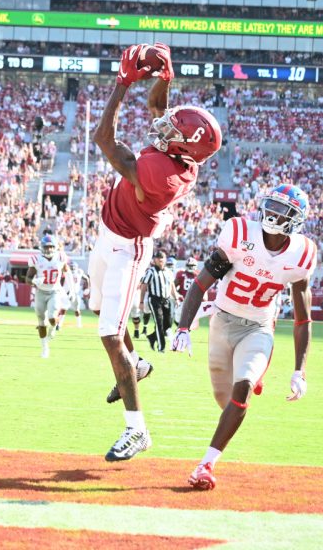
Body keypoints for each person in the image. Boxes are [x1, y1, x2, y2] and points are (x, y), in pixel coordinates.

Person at [89, 42, 222, 462]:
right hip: (109, 234)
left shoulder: (162, 175)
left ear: (182, 149)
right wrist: (165, 77)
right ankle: (137, 365)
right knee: (101, 313)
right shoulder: (180, 155)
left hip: (129, 247)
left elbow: (103, 139)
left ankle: (137, 430)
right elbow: (156, 109)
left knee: (110, 334)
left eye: (172, 132)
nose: (163, 129)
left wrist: (121, 83)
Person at [173, 185, 316, 490]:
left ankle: (206, 464)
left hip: (258, 328)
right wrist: (183, 327)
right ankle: (252, 375)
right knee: (224, 399)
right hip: (222, 322)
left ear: (297, 219)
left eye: (283, 211)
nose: (274, 215)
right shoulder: (240, 234)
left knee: (243, 389)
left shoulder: (301, 254)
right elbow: (201, 283)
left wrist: (299, 370)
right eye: (272, 207)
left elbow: (303, 318)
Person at [26, 235, 68, 358]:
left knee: (51, 317)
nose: (49, 249)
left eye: (51, 247)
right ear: (42, 247)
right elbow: (28, 278)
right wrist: (34, 281)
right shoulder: (36, 259)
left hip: (54, 291)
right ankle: (45, 348)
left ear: (55, 247)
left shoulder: (61, 257)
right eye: (46, 247)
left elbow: (66, 271)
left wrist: (67, 288)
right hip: (40, 292)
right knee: (41, 321)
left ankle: (53, 328)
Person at [140, 251, 175, 353]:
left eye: (162, 258)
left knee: (168, 324)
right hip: (155, 299)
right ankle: (161, 348)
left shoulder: (168, 271)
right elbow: (144, 287)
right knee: (159, 323)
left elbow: (172, 286)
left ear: (165, 259)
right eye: (158, 258)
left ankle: (152, 337)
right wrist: (141, 302)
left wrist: (176, 297)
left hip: (167, 300)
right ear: (154, 260)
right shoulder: (150, 272)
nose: (160, 260)